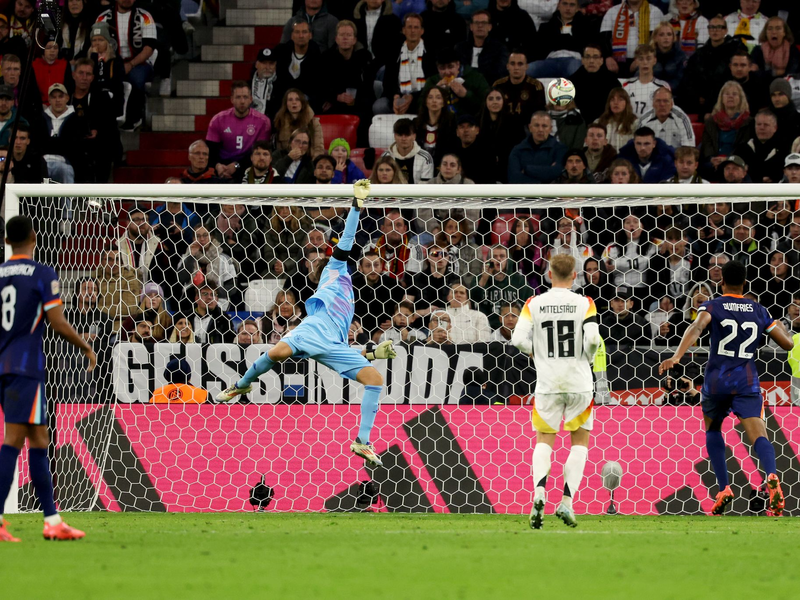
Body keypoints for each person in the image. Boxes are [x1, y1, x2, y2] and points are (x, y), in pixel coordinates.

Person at [217, 180, 397, 468]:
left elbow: (341, 350)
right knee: (275, 354)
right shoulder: (335, 269)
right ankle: (241, 385)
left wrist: (374, 353)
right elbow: (348, 239)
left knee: (375, 380)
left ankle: (362, 442)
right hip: (311, 330)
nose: (327, 262)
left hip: (333, 344)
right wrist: (357, 205)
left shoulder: (352, 294)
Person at [659, 260, 794, 516]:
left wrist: (677, 356)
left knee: (713, 429)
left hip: (716, 381)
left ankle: (723, 488)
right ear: (745, 283)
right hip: (746, 381)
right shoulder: (759, 310)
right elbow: (787, 344)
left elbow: (697, 326)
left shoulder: (712, 305)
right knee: (759, 435)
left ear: (720, 282)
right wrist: (776, 322)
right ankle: (773, 476)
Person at [0, 215, 96, 542]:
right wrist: (85, 346)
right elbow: (56, 322)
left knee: (39, 440)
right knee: (13, 440)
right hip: (25, 366)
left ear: (8, 240)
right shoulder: (42, 273)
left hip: (4, 364)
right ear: (34, 236)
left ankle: (53, 521)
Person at [511, 254, 601, 529]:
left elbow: (516, 339)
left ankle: (539, 493)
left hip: (548, 384)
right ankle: (567, 502)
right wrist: (586, 357)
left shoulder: (533, 303)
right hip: (579, 383)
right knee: (579, 444)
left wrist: (536, 352)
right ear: (575, 276)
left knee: (544, 441)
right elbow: (594, 338)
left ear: (549, 274)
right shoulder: (584, 302)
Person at [95, 0, 159, 131]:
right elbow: (96, 44)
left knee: (137, 79)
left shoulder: (145, 16)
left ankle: (134, 118)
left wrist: (131, 64)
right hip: (110, 61)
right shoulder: (103, 17)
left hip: (139, 62)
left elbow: (149, 47)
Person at [372, 13, 436, 116]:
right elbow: (388, 83)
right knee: (379, 106)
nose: (413, 31)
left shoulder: (430, 54)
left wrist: (412, 97)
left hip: (422, 97)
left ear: (422, 31)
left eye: (416, 27)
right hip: (400, 97)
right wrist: (396, 96)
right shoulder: (394, 52)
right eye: (409, 27)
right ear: (403, 30)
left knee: (428, 105)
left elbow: (432, 84)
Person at [678, 15, 743, 116]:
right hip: (701, 102)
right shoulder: (699, 54)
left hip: (725, 99)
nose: (715, 31)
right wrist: (697, 96)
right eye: (712, 27)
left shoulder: (734, 51)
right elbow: (689, 78)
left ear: (725, 31)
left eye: (718, 27)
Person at [205, 80, 271, 180]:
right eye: (238, 97)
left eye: (245, 97)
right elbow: (211, 150)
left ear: (251, 99)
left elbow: (261, 152)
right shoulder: (218, 120)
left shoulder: (263, 122)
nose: (242, 101)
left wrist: (237, 166)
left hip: (249, 166)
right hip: (222, 167)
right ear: (232, 99)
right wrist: (218, 166)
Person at [419, 47, 490, 120]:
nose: (447, 72)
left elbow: (486, 106)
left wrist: (466, 94)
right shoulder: (432, 81)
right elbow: (420, 106)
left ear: (458, 64)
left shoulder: (476, 78)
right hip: (441, 122)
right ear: (437, 68)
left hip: (468, 122)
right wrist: (435, 91)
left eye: (450, 67)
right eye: (442, 68)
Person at [700, 80, 752, 178]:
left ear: (740, 98)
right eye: (727, 94)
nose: (730, 96)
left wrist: (727, 159)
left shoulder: (748, 122)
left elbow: (744, 146)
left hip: (737, 161)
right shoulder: (711, 121)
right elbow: (707, 144)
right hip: (714, 161)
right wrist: (712, 158)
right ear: (722, 98)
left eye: (734, 94)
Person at [529, 0, 592, 78]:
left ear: (577, 8)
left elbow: (586, 46)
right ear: (558, 6)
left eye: (572, 5)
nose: (568, 8)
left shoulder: (586, 26)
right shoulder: (546, 27)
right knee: (528, 70)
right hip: (550, 61)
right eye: (565, 4)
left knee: (576, 71)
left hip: (574, 59)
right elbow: (538, 49)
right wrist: (570, 39)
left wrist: (558, 40)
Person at [600, 0, 665, 77]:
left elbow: (655, 41)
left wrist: (641, 59)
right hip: (615, 60)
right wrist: (608, 57)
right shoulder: (612, 12)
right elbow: (604, 39)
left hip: (644, 59)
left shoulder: (655, 12)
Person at [273, 20, 323, 110]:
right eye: (297, 32)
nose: (301, 36)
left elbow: (318, 88)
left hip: (307, 107)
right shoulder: (280, 53)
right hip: (282, 106)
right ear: (292, 36)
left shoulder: (318, 59)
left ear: (310, 35)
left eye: (304, 32)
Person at [569, 44, 623, 126]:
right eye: (587, 57)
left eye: (595, 57)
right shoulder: (571, 82)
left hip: (606, 124)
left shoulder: (612, 81)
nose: (591, 61)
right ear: (582, 60)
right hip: (579, 125)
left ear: (601, 60)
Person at [492, 50, 545, 132]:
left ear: (526, 66)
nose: (516, 67)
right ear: (507, 66)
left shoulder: (535, 86)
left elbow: (539, 114)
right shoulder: (498, 85)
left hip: (526, 129)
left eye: (520, 64)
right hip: (502, 128)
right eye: (512, 64)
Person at [508, 111, 568, 184]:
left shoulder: (560, 149)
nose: (540, 130)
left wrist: (527, 169)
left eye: (544, 126)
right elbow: (514, 178)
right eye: (536, 125)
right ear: (530, 128)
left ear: (550, 129)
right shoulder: (517, 150)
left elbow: (556, 173)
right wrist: (542, 182)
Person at [454, 9, 508, 86]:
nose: (480, 26)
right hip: (464, 87)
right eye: (476, 23)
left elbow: (499, 73)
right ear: (471, 27)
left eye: (484, 23)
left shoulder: (499, 49)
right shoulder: (460, 48)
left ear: (490, 27)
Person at [733, 109, 784, 183]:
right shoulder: (742, 149)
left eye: (766, 125)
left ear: (775, 128)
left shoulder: (783, 150)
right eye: (758, 124)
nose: (761, 128)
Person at [273, 88, 325, 158]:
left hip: (308, 162)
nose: (294, 102)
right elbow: (279, 150)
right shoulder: (279, 121)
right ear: (286, 103)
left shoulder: (314, 123)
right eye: (290, 100)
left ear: (302, 102)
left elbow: (318, 149)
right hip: (287, 162)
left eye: (297, 99)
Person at [621, 44, 669, 118]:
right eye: (641, 59)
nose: (645, 62)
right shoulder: (626, 85)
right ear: (636, 61)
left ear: (654, 60)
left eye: (648, 58)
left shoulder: (663, 87)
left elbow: (667, 113)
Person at [382, 117, 434, 184]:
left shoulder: (426, 158)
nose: (403, 139)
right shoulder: (386, 157)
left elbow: (426, 189)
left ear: (414, 136)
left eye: (407, 135)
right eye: (400, 135)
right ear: (394, 136)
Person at [597, 87, 638, 152]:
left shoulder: (635, 123)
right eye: (612, 99)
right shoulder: (599, 122)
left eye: (620, 99)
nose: (616, 103)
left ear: (626, 103)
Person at [250, 47, 282, 119]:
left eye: (271, 63)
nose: (267, 67)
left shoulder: (282, 86)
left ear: (275, 65)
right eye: (264, 63)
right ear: (256, 64)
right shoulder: (247, 86)